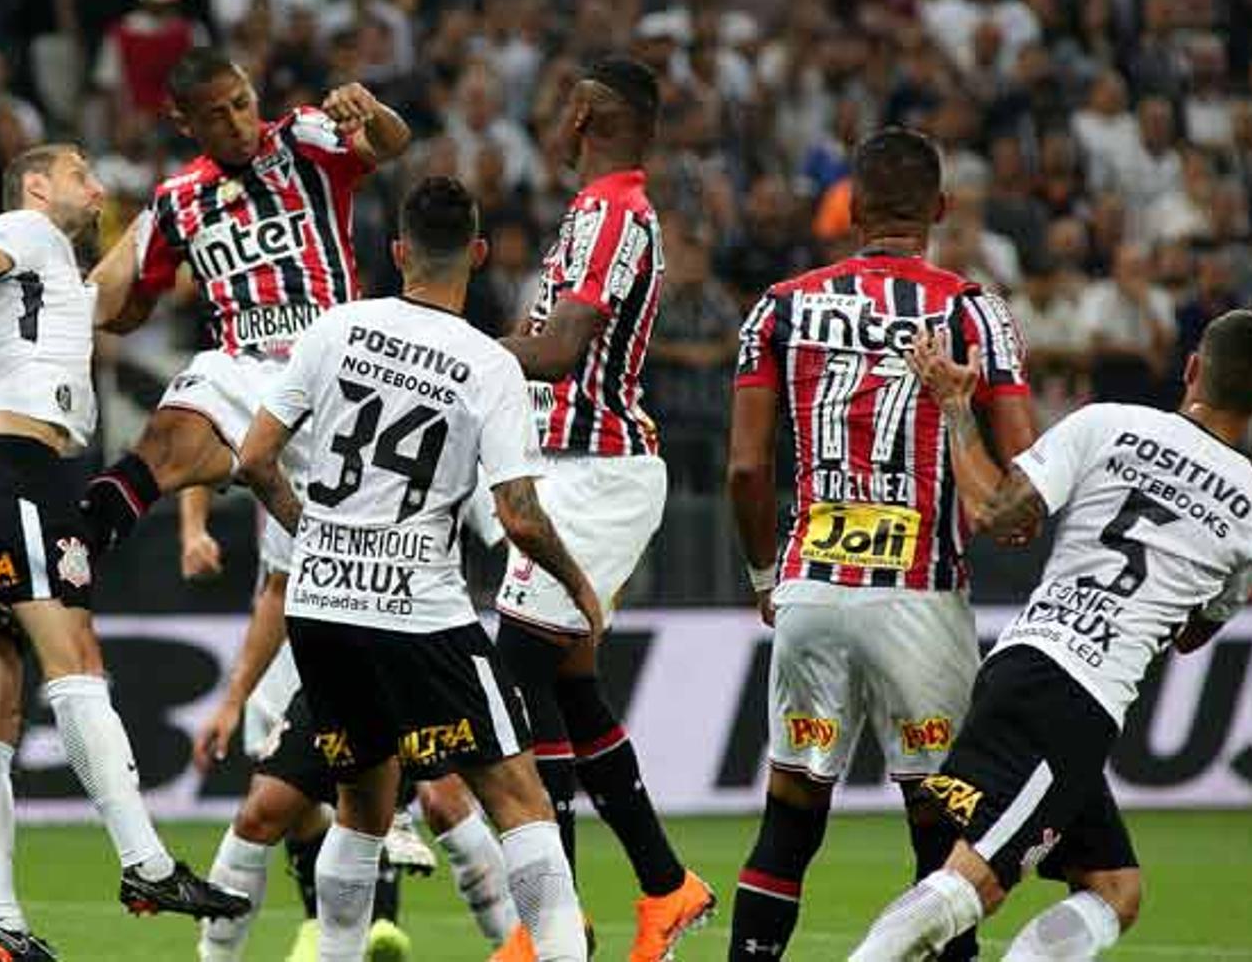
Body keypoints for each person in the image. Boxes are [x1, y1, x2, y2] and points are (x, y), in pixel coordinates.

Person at [849, 309, 1252, 961]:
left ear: (1193, 367)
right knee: (975, 883)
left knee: (1115, 889)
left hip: (1022, 661)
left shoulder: (1107, 422)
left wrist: (954, 406)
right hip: (1079, 698)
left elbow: (997, 511)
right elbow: (1194, 631)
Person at [237, 176, 595, 962]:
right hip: (419, 611)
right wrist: (578, 584)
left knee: (362, 805)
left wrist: (316, 532)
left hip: (323, 606)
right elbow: (520, 516)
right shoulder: (488, 361)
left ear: (398, 252)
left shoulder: (336, 327)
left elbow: (254, 457)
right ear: (479, 251)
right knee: (521, 799)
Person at [0, 144, 250, 962]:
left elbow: (114, 280)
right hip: (15, 474)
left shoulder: (63, 282)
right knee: (77, 659)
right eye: (80, 175)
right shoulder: (26, 231)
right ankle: (146, 862)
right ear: (37, 185)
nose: (96, 188)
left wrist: (192, 194)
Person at [725, 127, 1038, 962]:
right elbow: (1024, 473)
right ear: (938, 209)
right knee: (942, 839)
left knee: (789, 820)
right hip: (921, 594)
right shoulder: (972, 311)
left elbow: (747, 471)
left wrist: (768, 575)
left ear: (853, 210)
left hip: (811, 587)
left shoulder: (781, 306)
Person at [490, 56, 715, 962]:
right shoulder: (599, 211)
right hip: (566, 466)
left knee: (517, 678)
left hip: (596, 469)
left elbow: (559, 351)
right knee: (568, 689)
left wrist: (445, 344)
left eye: (559, 101)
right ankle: (665, 887)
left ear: (583, 111)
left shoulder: (616, 213)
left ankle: (556, 924)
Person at [83, 47, 411, 565]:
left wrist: (372, 110)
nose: (237, 123)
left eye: (241, 103)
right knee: (163, 442)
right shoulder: (177, 199)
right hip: (243, 368)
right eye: (217, 114)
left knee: (347, 576)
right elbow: (125, 309)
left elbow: (389, 144)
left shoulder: (300, 137)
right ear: (184, 123)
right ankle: (73, 553)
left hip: (335, 365)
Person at [187, 491, 524, 962]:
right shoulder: (314, 470)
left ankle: (522, 946)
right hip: (335, 660)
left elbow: (513, 526)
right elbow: (279, 583)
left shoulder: (456, 427)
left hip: (426, 652)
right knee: (266, 810)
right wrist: (232, 701)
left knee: (446, 803)